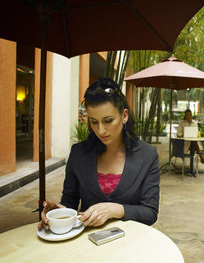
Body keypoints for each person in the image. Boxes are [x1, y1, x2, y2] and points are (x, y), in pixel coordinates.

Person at [38, 78, 160, 230]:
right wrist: (57, 214)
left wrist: (114, 210)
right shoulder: (79, 154)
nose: (101, 130)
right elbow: (70, 201)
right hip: (87, 242)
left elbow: (150, 212)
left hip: (130, 242)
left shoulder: (147, 155)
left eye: (108, 120)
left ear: (124, 116)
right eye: (94, 122)